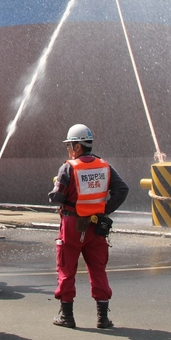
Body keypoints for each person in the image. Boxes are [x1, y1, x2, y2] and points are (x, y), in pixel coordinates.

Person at [47, 124, 129, 329]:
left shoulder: (69, 167)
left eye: (69, 145)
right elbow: (122, 189)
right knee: (98, 269)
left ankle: (67, 316)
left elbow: (57, 197)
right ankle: (103, 317)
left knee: (66, 269)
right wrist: (105, 209)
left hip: (73, 226)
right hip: (97, 226)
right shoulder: (104, 166)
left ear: (77, 146)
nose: (68, 149)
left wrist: (55, 188)